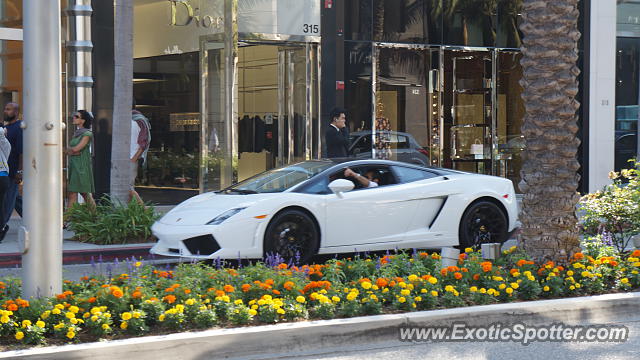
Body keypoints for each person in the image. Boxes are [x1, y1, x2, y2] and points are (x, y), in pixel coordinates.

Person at [0, 103, 22, 241]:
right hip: (6, 171)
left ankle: (2, 226)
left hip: (12, 171)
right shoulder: (6, 128)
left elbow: (21, 151)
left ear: (16, 111)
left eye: (8, 109)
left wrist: (20, 171)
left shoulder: (19, 127)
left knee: (7, 202)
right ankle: (35, 220)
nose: (5, 111)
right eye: (5, 108)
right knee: (14, 200)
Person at [66, 110, 96, 209]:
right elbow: (72, 150)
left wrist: (68, 150)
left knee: (74, 193)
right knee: (83, 193)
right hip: (74, 165)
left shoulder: (87, 134)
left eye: (76, 116)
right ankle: (95, 217)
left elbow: (76, 149)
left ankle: (67, 220)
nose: (73, 118)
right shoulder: (77, 133)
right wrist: (70, 151)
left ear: (83, 120)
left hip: (81, 166)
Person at [130, 100, 151, 204]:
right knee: (128, 187)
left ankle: (143, 209)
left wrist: (134, 158)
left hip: (131, 158)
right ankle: (131, 210)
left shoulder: (139, 120)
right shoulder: (123, 119)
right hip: (123, 158)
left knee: (127, 187)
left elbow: (143, 143)